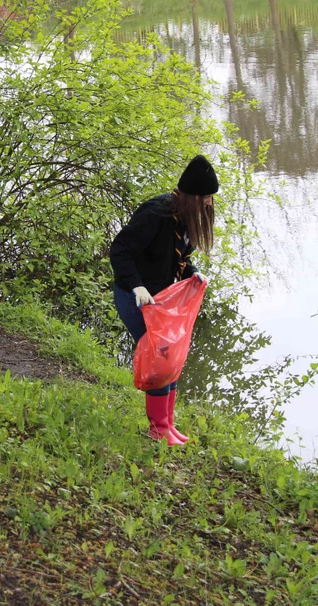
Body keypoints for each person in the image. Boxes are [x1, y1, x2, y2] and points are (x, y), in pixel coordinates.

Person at [110, 155, 218, 446]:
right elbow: (119, 250)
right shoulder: (155, 213)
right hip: (135, 297)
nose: (209, 203)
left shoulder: (184, 216)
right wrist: (136, 286)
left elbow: (176, 254)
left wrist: (192, 273)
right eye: (205, 197)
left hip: (160, 300)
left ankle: (168, 425)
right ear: (192, 195)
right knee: (161, 357)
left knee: (172, 356)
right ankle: (158, 430)